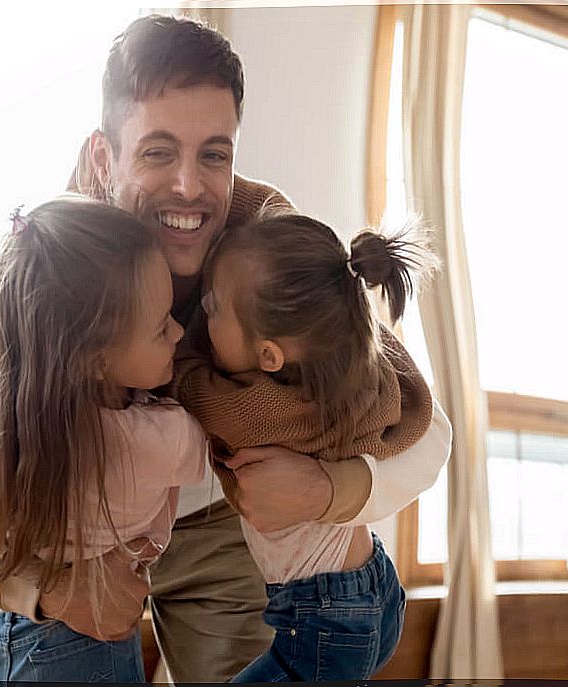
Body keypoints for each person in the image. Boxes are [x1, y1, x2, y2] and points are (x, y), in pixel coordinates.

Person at [0, 13, 452, 683]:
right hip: (70, 545)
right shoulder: (36, 275)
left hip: (228, 528)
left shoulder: (267, 253)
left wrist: (328, 488)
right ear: (101, 158)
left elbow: (425, 429)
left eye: (214, 153)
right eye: (156, 150)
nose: (188, 186)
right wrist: (40, 582)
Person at [0, 197, 204, 681]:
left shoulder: (23, 419)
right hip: (78, 639)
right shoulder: (158, 439)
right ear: (95, 357)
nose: (179, 331)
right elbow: (214, 439)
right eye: (161, 325)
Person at [173, 211, 436, 681]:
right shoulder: (354, 383)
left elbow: (189, 382)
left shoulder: (254, 414)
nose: (202, 313)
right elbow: (418, 403)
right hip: (375, 585)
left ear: (269, 356)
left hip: (323, 616)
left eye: (212, 308)